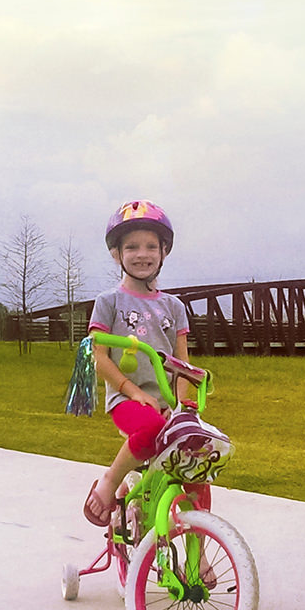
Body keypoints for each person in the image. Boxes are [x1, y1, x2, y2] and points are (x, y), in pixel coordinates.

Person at [81, 200, 196, 526]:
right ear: (117, 254)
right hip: (127, 400)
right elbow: (98, 357)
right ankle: (109, 482)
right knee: (149, 428)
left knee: (197, 464)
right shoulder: (109, 302)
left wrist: (183, 406)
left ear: (163, 252)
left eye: (150, 246)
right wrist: (132, 391)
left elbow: (182, 363)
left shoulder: (174, 307)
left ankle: (197, 552)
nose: (142, 254)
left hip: (167, 404)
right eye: (131, 247)